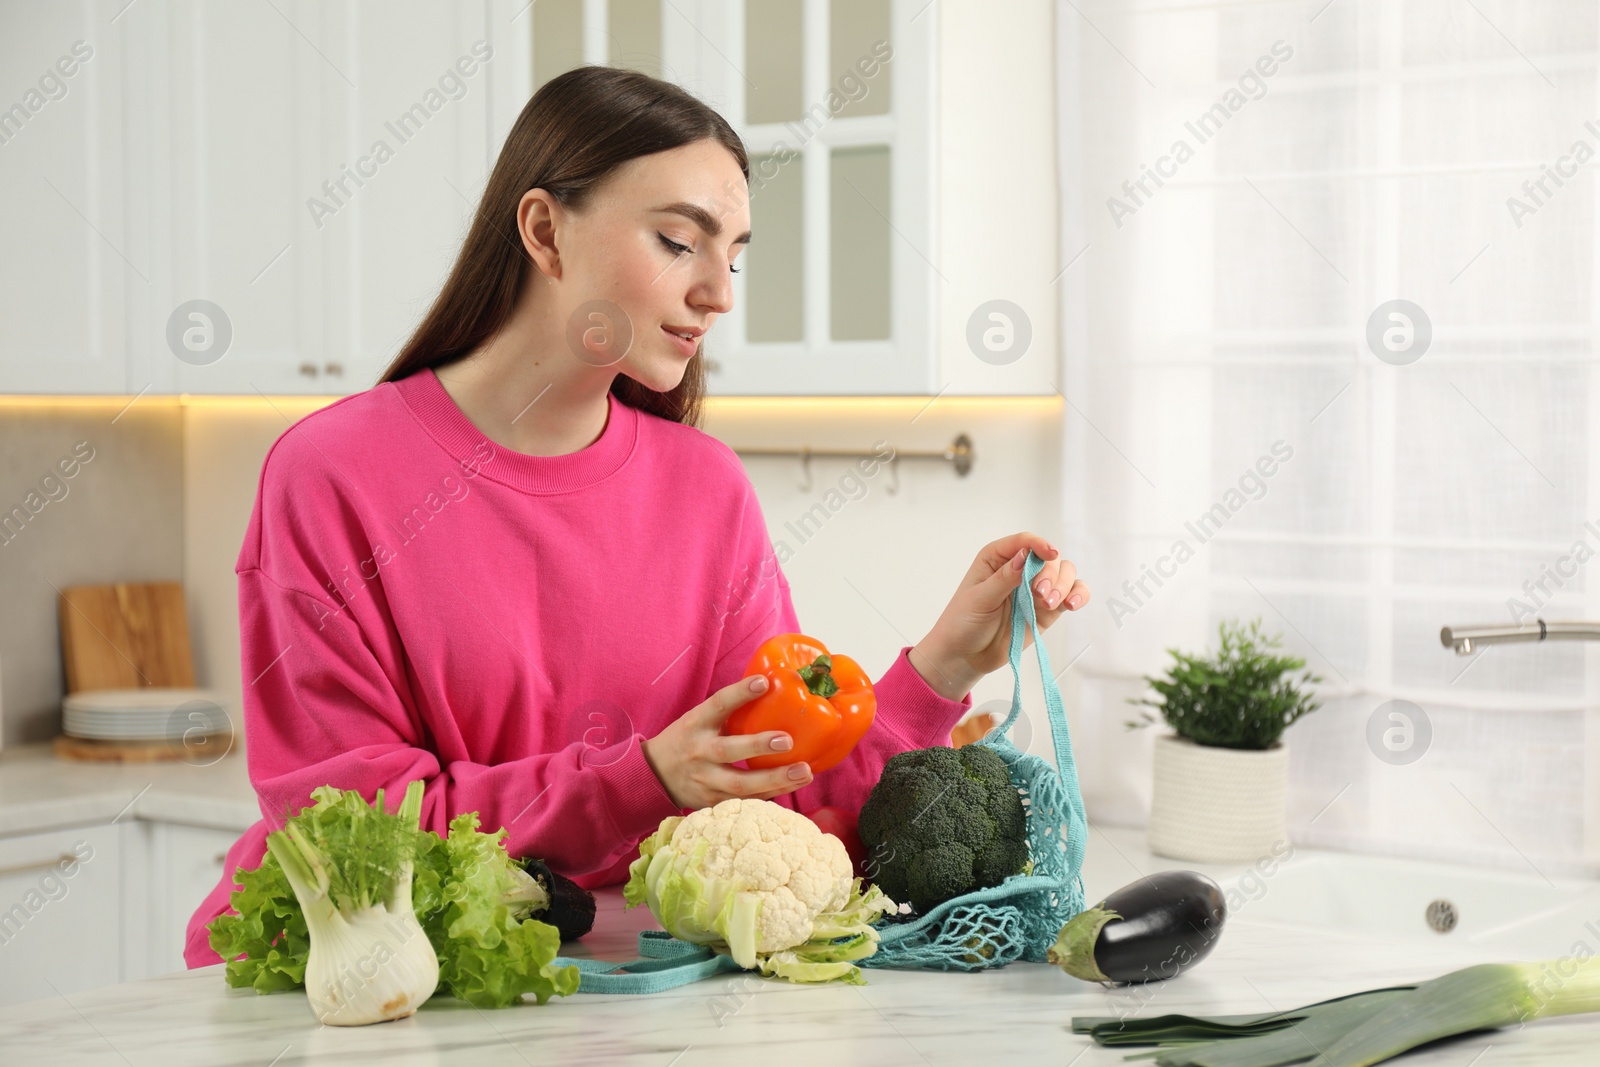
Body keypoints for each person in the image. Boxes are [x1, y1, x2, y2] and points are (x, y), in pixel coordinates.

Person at [184, 65, 1089, 968]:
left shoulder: (706, 488)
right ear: (544, 230)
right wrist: (637, 783)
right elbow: (346, 828)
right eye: (677, 241)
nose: (718, 292)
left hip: (603, 997)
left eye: (732, 254)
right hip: (356, 984)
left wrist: (943, 663)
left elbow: (773, 800)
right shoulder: (332, 475)